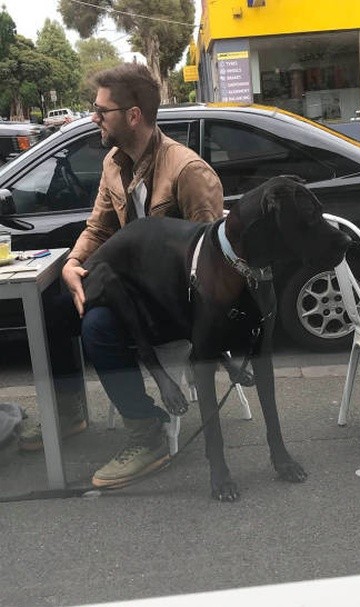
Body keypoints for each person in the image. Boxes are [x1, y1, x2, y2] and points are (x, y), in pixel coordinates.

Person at [20, 63, 224, 488]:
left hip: (176, 303)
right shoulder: (114, 162)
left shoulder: (188, 171)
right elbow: (98, 228)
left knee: (97, 325)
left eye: (101, 111)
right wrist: (74, 264)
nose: (93, 118)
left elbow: (208, 262)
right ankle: (70, 412)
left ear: (133, 115)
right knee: (49, 306)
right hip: (129, 289)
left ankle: (147, 431)